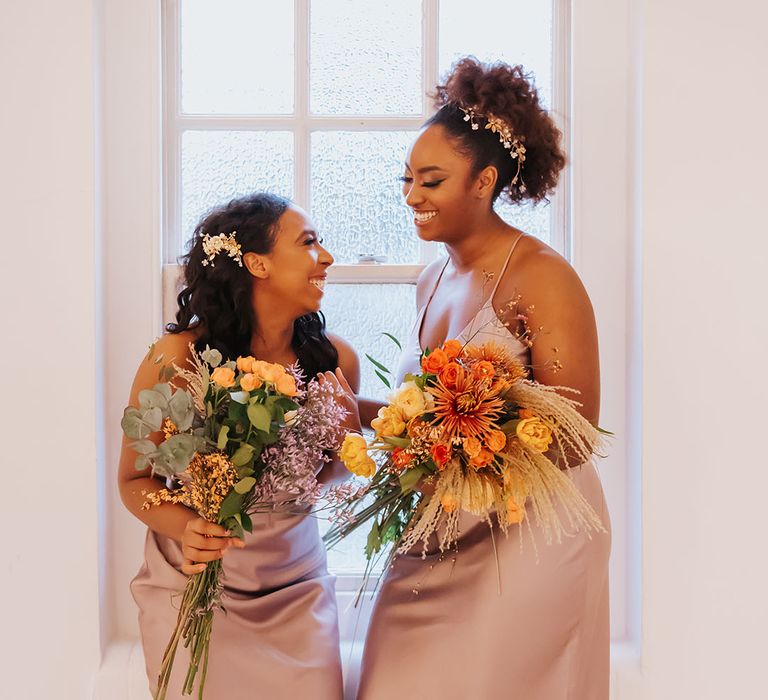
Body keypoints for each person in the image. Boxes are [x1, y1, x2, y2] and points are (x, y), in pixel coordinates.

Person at [357, 58, 611, 699]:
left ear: (485, 180)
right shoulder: (430, 279)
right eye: (407, 179)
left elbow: (574, 435)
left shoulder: (542, 277)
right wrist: (357, 411)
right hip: (440, 527)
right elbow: (424, 410)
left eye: (432, 179)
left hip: (533, 538)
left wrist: (472, 434)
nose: (412, 194)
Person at [118, 192, 359, 700]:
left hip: (297, 589)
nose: (327, 258)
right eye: (310, 242)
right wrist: (188, 528)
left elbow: (331, 475)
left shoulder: (336, 358)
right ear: (257, 263)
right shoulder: (176, 360)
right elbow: (135, 480)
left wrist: (344, 445)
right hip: (192, 588)